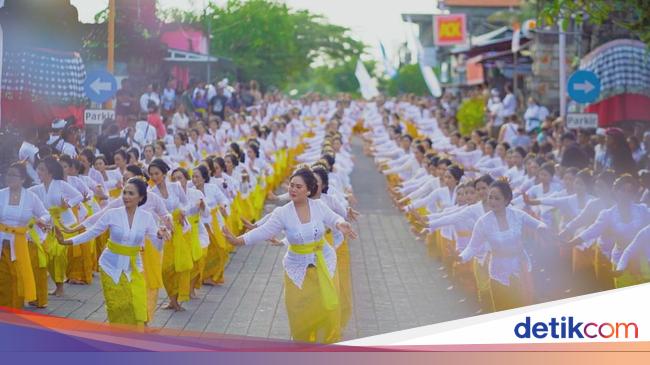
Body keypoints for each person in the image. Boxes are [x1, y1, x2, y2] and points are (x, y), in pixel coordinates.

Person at [222, 167, 357, 343]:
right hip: (297, 268)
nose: (293, 189)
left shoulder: (319, 206)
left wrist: (341, 224)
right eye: (291, 185)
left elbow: (334, 218)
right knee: (297, 312)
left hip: (324, 262)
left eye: (298, 187)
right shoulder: (282, 213)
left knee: (327, 309)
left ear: (308, 190)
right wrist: (237, 241)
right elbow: (263, 231)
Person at [54, 177, 168, 326]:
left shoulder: (146, 218)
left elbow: (158, 246)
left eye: (131, 194)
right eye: (125, 192)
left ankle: (133, 338)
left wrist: (160, 236)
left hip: (133, 266)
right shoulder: (112, 214)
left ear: (140, 197)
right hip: (110, 265)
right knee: (117, 305)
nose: (126, 196)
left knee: (135, 303)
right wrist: (67, 241)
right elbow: (92, 232)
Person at [460, 180, 552, 311]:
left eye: (497, 198)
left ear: (507, 200)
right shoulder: (483, 222)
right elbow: (472, 247)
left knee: (522, 308)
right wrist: (461, 257)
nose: (492, 201)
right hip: (498, 271)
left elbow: (538, 224)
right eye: (490, 197)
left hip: (520, 267)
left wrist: (542, 228)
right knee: (502, 310)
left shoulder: (517, 215)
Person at [29, 156, 83, 298]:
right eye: (38, 169)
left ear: (50, 172)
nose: (38, 172)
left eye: (42, 169)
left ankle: (60, 286)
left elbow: (79, 196)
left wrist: (68, 204)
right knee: (50, 256)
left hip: (64, 224)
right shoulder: (36, 189)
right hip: (47, 226)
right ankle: (57, 284)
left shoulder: (60, 184)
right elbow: (24, 195)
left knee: (59, 253)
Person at [0, 162, 50, 308]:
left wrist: (41, 220)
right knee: (3, 277)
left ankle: (16, 308)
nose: (9, 178)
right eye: (8, 174)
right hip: (2, 241)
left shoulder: (30, 197)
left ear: (22, 179)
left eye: (14, 175)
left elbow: (45, 214)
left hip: (21, 243)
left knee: (18, 276)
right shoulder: (1, 194)